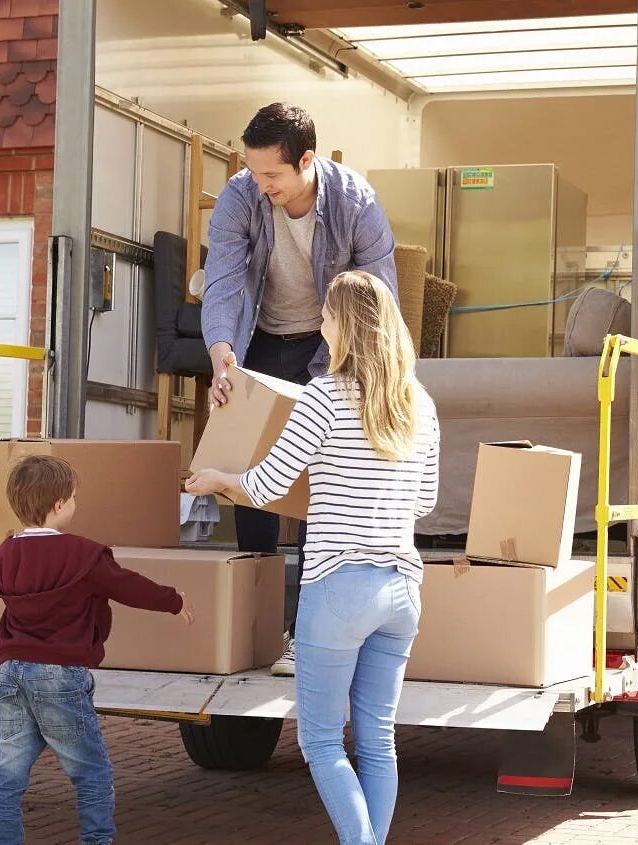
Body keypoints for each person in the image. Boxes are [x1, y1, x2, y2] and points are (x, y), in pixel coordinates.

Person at [188, 270, 439, 845]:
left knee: (322, 741)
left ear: (345, 326)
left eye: (326, 315)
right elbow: (424, 501)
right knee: (376, 737)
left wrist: (217, 480)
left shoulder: (324, 396)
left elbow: (269, 483)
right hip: (401, 586)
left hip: (338, 584)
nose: (319, 324)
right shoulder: (419, 404)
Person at [201, 102, 399, 677]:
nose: (259, 185)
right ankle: (256, 627)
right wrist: (222, 357)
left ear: (306, 161)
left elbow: (377, 300)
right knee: (252, 475)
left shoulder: (356, 203)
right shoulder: (242, 195)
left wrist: (354, 377)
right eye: (252, 171)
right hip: (258, 341)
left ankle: (305, 635)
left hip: (330, 347)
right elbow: (224, 282)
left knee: (319, 482)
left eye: (272, 176)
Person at [0, 455, 194, 845]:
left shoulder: (3, 554)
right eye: (74, 498)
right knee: (91, 772)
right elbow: (127, 585)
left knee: (8, 771)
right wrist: (173, 600)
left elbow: (3, 590)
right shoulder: (83, 555)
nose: (75, 504)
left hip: (11, 672)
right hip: (60, 675)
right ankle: (97, 840)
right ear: (59, 504)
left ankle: (0, 840)